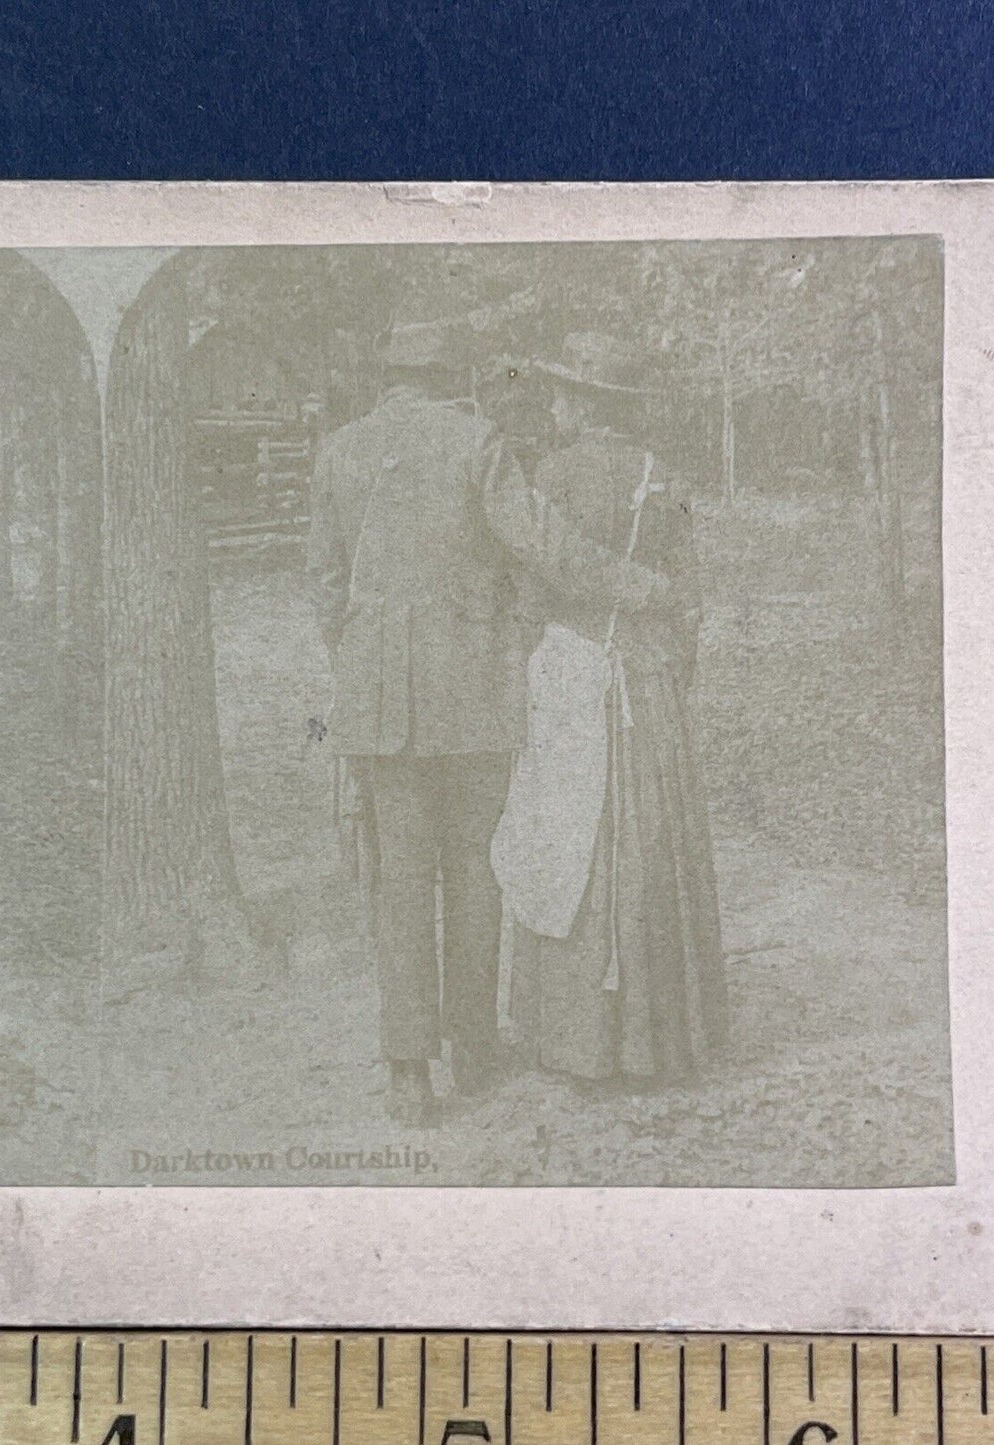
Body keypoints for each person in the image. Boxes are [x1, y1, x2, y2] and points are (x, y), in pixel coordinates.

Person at [307, 315, 673, 1125]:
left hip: (377, 703)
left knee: (399, 880)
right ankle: (472, 1048)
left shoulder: (339, 449)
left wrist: (369, 660)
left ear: (390, 376)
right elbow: (541, 543)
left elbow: (325, 588)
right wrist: (638, 585)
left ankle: (408, 1069)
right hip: (474, 694)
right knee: (475, 872)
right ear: (452, 378)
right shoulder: (478, 444)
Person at [505, 331, 729, 1084]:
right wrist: (672, 677)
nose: (558, 406)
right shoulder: (663, 477)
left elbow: (532, 593)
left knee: (570, 839)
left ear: (581, 403)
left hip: (574, 676)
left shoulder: (553, 474)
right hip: (649, 683)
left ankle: (576, 1040)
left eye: (565, 394)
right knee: (651, 845)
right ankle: (662, 1035)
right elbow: (687, 597)